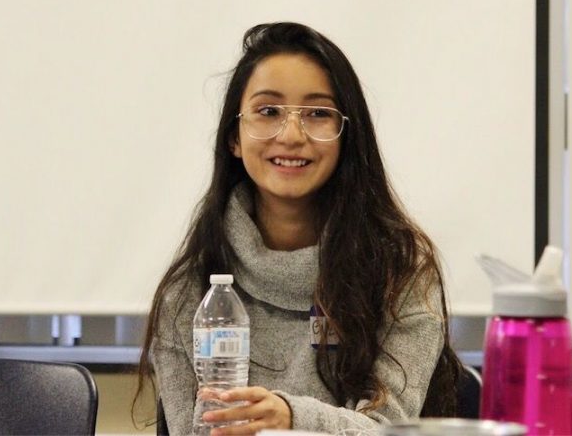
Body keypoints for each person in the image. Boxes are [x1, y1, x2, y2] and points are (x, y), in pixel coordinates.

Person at [134, 22, 462, 435]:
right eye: (268, 111)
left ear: (347, 135)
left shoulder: (401, 268)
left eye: (318, 114)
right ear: (234, 137)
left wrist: (290, 418)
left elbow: (389, 428)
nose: (291, 135)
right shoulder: (190, 291)